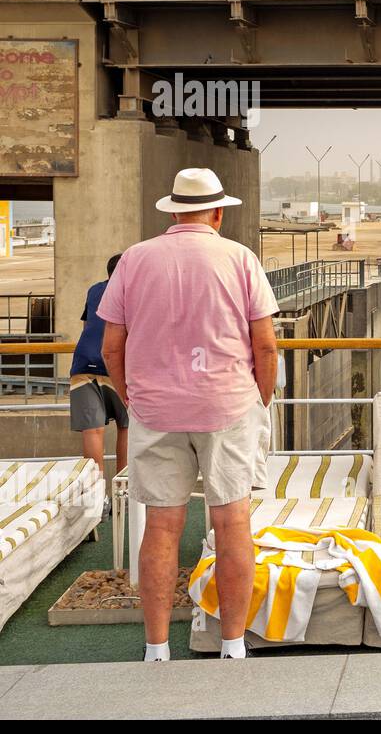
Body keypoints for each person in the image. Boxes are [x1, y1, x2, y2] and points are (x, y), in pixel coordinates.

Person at [99, 169, 279, 662]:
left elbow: (112, 347)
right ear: (218, 212)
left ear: (173, 211)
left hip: (156, 410)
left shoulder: (134, 260)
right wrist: (258, 400)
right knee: (232, 522)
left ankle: (156, 649)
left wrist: (133, 398)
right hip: (228, 406)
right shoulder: (240, 259)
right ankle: (233, 645)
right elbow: (265, 344)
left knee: (161, 526)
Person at [69, 254, 129, 506]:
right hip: (116, 366)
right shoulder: (132, 290)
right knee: (127, 428)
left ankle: (96, 498)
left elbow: (88, 328)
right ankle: (124, 493)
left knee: (93, 431)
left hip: (83, 365)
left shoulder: (95, 290)